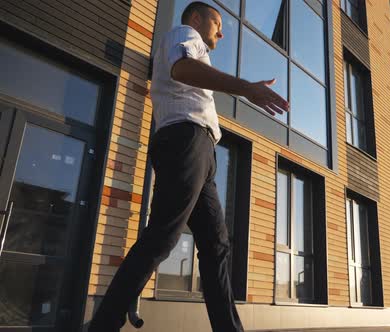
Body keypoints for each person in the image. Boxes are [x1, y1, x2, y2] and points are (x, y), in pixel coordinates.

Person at [88, 2, 289, 331]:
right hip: (184, 140)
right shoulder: (185, 33)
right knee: (163, 236)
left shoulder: (191, 43)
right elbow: (181, 69)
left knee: (217, 245)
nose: (222, 33)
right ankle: (102, 326)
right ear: (196, 18)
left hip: (202, 150)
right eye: (217, 23)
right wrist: (245, 88)